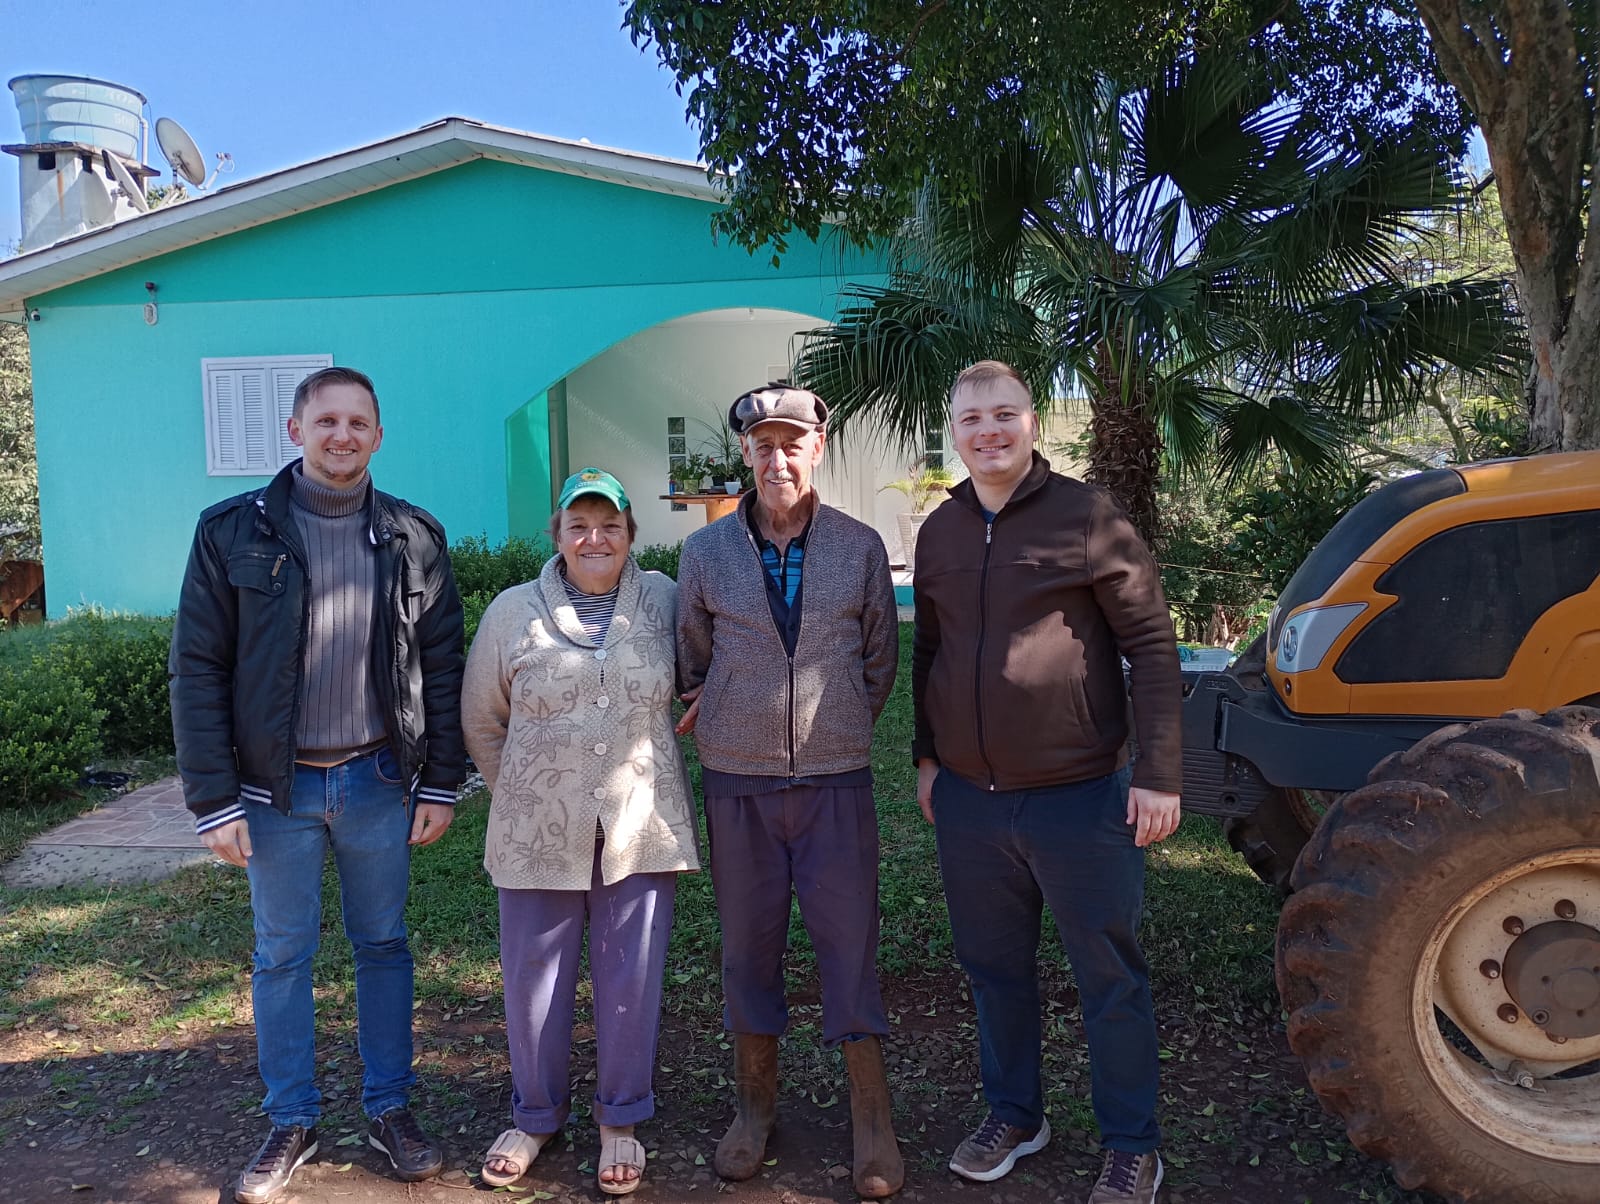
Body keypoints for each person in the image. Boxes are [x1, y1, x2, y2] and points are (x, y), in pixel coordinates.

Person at [169, 366, 465, 1204]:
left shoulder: (414, 536)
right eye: (326, 420)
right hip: (273, 794)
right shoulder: (232, 532)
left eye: (358, 423)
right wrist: (213, 799)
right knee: (282, 956)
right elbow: (197, 669)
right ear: (296, 430)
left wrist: (440, 782)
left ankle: (390, 1108)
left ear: (378, 435)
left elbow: (441, 666)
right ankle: (291, 1120)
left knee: (383, 946)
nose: (343, 435)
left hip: (376, 778)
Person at [911, 361, 1182, 1204]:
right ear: (953, 432)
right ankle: (1016, 1114)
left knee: (1108, 978)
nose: (986, 432)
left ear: (1033, 423)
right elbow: (931, 653)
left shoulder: (1090, 517)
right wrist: (925, 758)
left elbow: (1151, 647)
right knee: (994, 972)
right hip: (970, 803)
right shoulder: (940, 530)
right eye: (969, 420)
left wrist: (1161, 773)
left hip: (1084, 797)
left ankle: (1133, 1142)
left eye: (1003, 416)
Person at [676, 385, 904, 1199]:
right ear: (745, 453)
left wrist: (836, 721)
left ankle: (871, 1119)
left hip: (835, 782)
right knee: (748, 946)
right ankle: (753, 1109)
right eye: (763, 445)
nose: (778, 458)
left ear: (819, 446)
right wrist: (737, 713)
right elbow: (692, 660)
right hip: (738, 782)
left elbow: (879, 662)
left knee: (849, 945)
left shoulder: (861, 545)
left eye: (793, 443)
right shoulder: (703, 556)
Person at [461, 467, 699, 1197]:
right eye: (579, 525)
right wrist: (524, 797)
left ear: (631, 533)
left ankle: (620, 1117)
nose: (595, 538)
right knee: (534, 981)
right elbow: (481, 719)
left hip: (640, 824)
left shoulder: (664, 599)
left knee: (631, 976)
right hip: (535, 832)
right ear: (557, 534)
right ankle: (535, 1115)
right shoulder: (511, 611)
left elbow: (701, 675)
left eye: (611, 525)